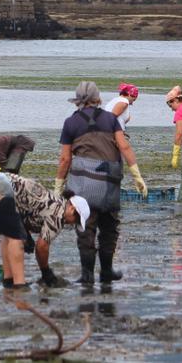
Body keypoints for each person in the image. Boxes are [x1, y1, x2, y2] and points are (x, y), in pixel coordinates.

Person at [55, 81, 146, 285]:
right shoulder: (111, 119)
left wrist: (58, 187)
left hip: (83, 187)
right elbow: (124, 146)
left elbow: (65, 159)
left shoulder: (71, 123)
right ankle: (106, 271)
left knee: (85, 227)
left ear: (77, 101)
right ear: (98, 99)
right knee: (109, 227)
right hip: (108, 183)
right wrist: (137, 176)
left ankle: (87, 275)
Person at [0, 172, 88, 290]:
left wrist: (26, 235)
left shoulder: (54, 200)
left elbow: (26, 210)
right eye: (76, 220)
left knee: (9, 235)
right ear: (72, 208)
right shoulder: (59, 215)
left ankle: (8, 281)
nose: (72, 224)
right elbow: (42, 247)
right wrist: (46, 272)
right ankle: (19, 285)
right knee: (15, 239)